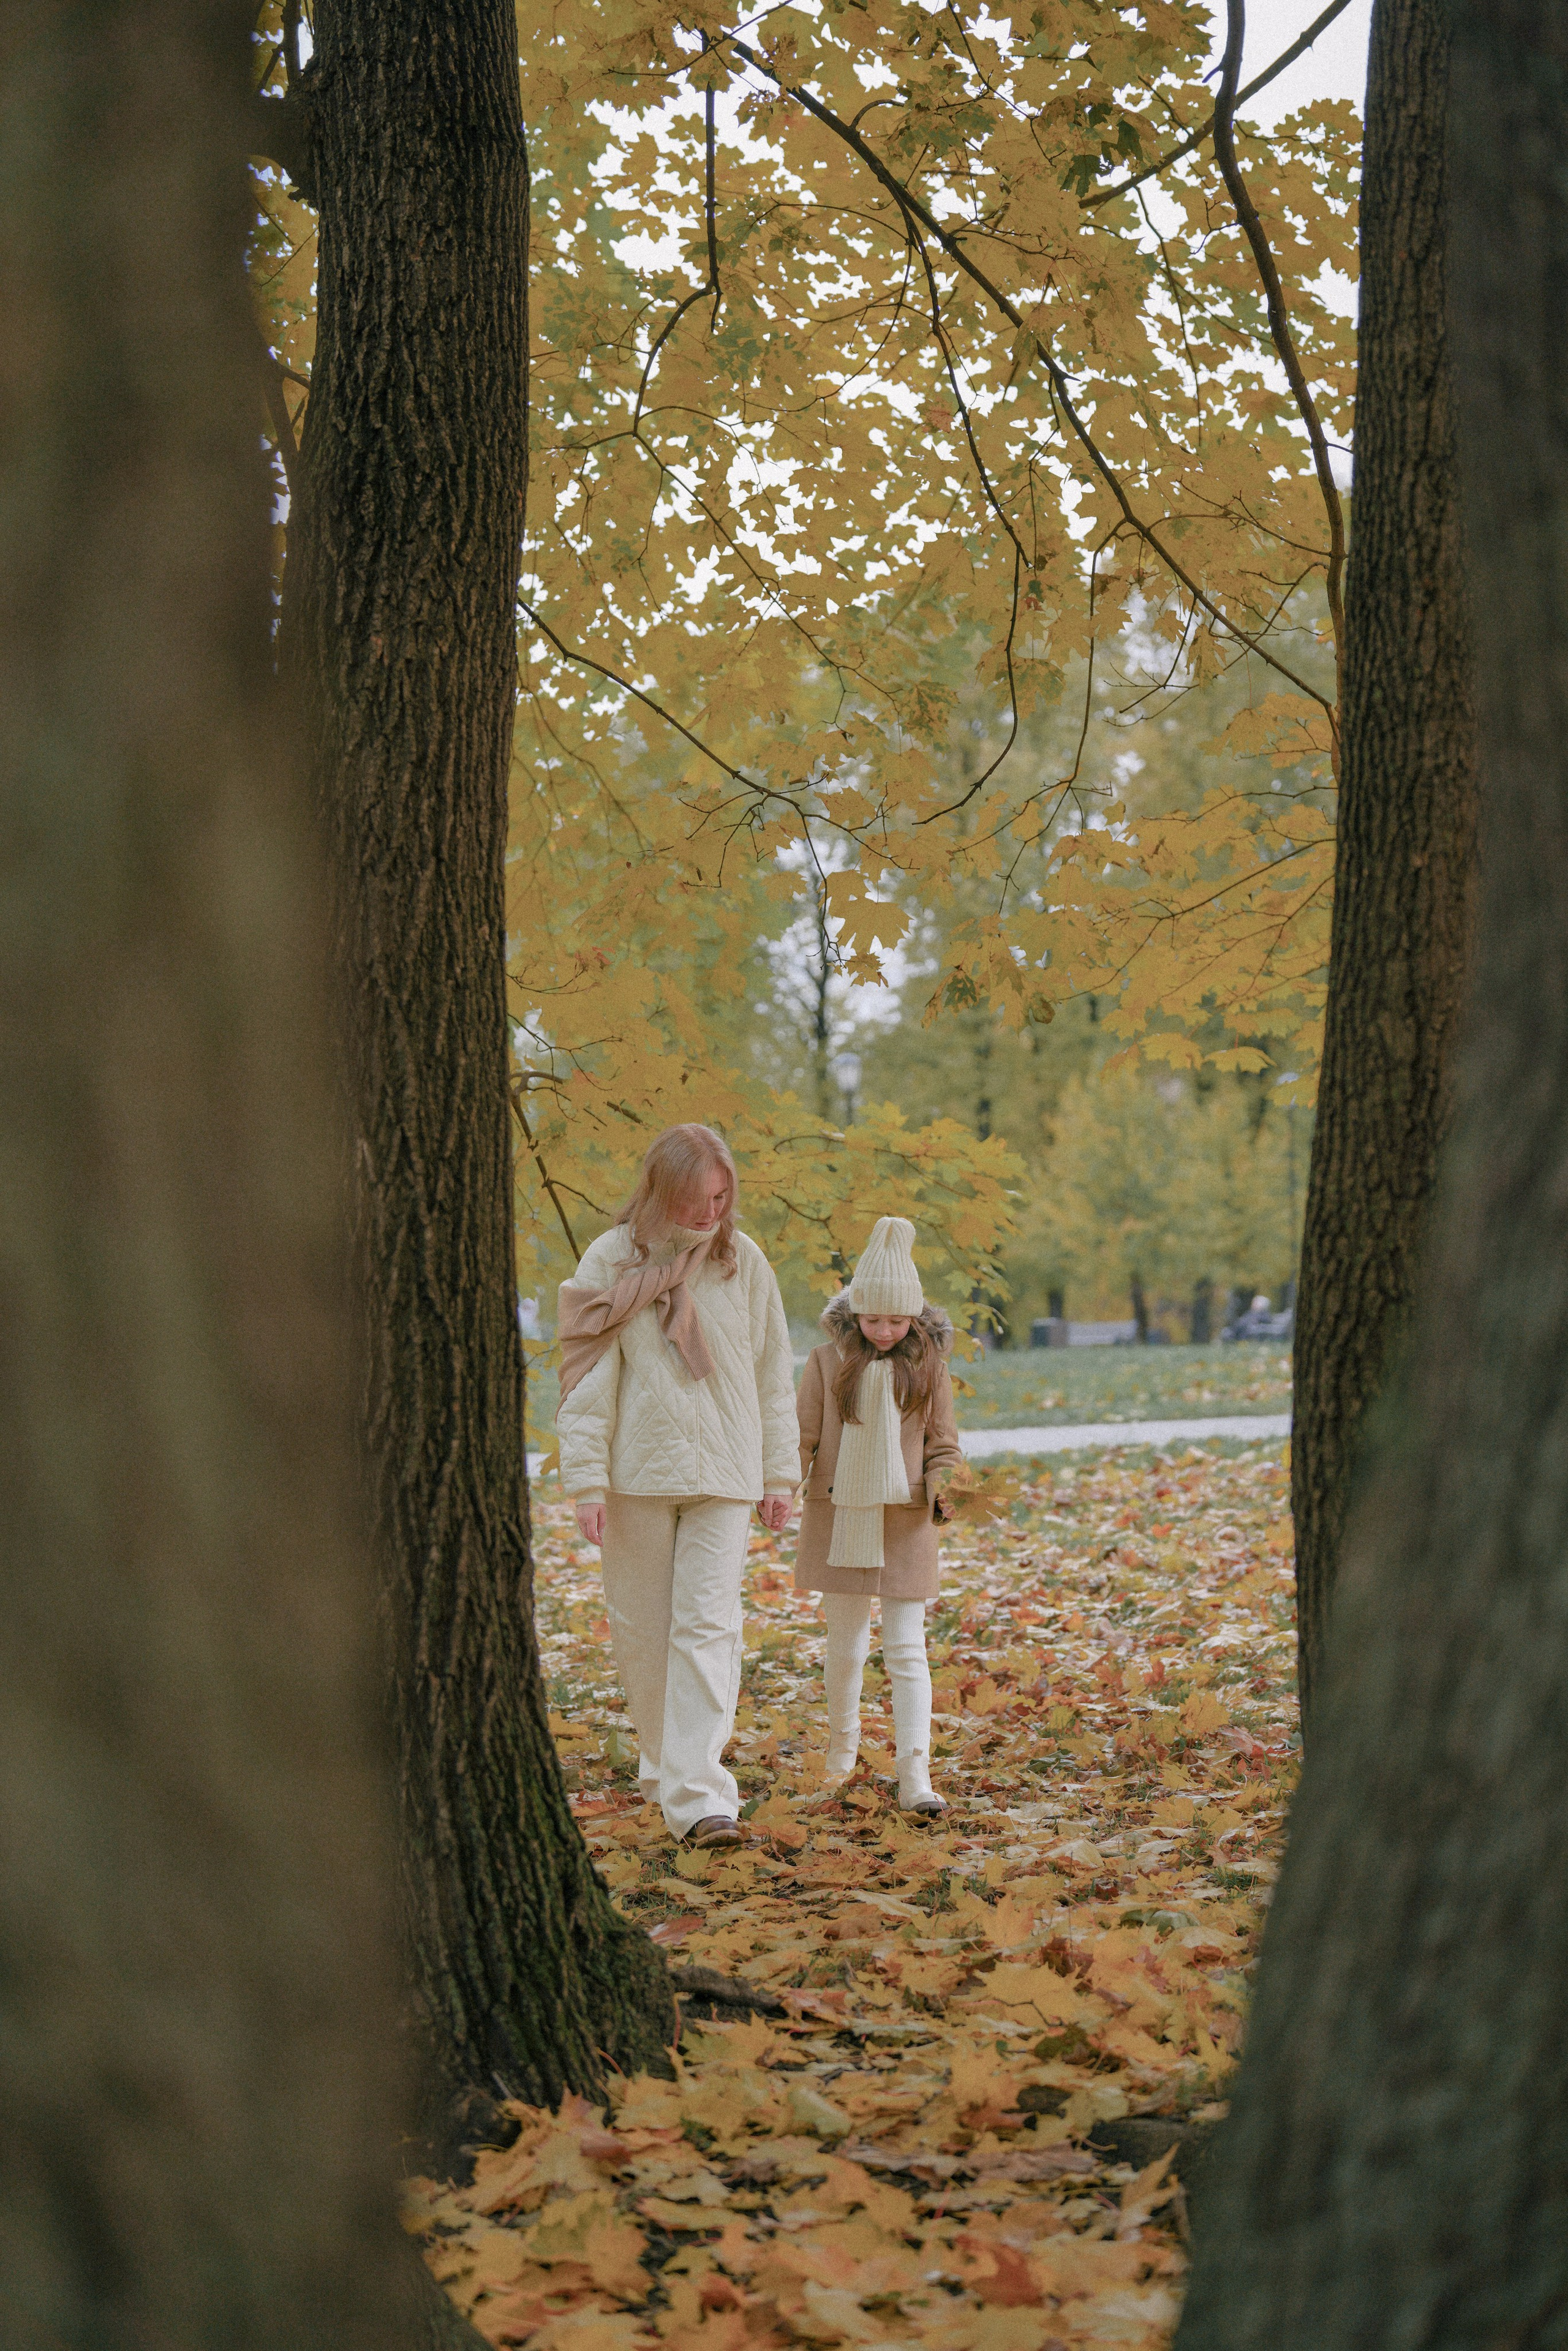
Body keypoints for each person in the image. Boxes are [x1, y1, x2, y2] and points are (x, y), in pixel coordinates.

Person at [556, 1125, 796, 1847]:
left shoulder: (741, 1260)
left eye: (721, 1198)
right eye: (695, 1199)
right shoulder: (611, 1258)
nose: (709, 1213)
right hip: (637, 1477)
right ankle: (667, 1766)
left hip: (727, 1471)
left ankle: (699, 1797)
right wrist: (587, 1482)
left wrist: (779, 1473)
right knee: (643, 1631)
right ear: (661, 1191)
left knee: (708, 1625)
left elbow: (773, 1372)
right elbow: (586, 1379)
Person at [794, 1217, 963, 1817]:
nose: (885, 1331)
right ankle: (841, 1758)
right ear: (855, 1312)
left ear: (914, 1317)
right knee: (844, 1647)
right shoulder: (824, 1362)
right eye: (872, 1320)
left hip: (904, 1521)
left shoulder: (930, 1367)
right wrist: (778, 1485)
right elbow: (802, 1438)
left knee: (906, 1649)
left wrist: (946, 1488)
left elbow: (943, 1445)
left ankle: (915, 1773)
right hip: (840, 1518)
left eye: (897, 1320)